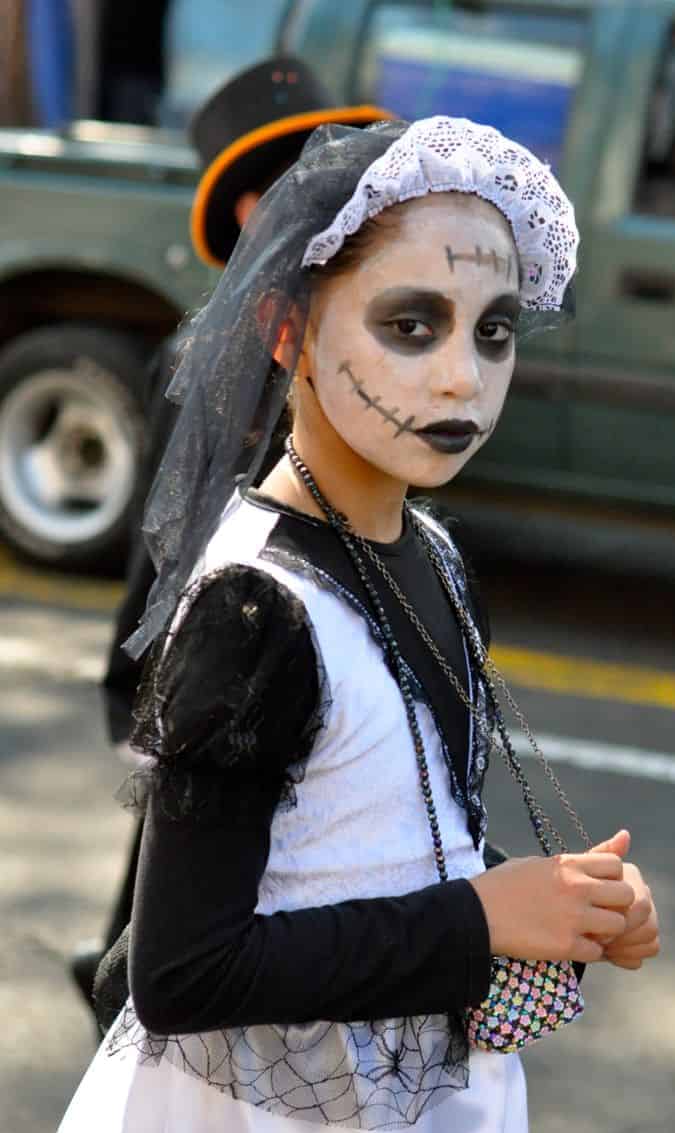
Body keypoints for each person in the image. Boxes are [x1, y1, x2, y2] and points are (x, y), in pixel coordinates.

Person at [11, 115, 661, 1133]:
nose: (463, 374)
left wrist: (563, 900)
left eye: (495, 330)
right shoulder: (254, 614)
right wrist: (480, 918)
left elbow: (396, 830)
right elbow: (176, 974)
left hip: (406, 1132)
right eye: (410, 325)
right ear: (286, 329)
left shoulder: (436, 552)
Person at [68, 56, 392, 1015]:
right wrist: (142, 689)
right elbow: (168, 548)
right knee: (180, 900)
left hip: (309, 667)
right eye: (308, 184)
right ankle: (119, 1002)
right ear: (254, 212)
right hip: (223, 669)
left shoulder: (353, 331)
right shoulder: (215, 354)